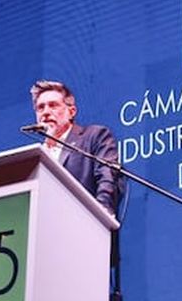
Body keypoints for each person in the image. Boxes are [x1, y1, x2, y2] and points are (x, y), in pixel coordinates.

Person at [30, 79, 123, 217]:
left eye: (53, 105)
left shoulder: (94, 136)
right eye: (41, 108)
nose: (46, 112)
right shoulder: (35, 156)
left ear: (71, 111)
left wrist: (100, 217)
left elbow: (107, 177)